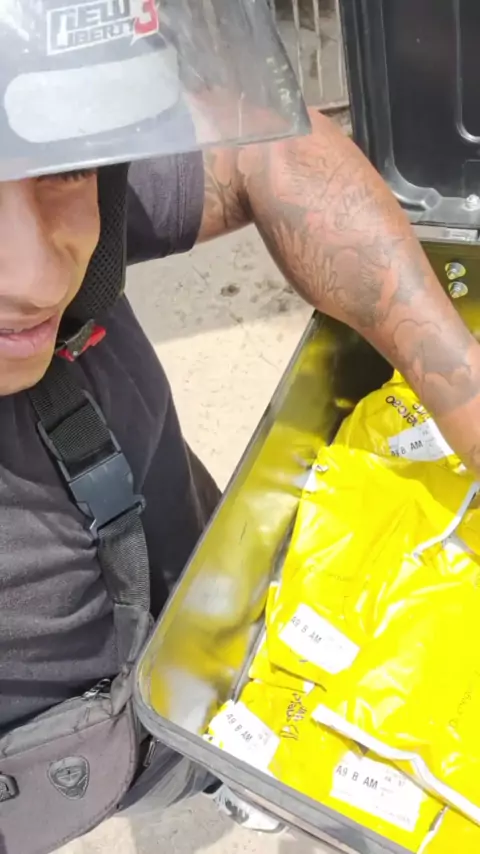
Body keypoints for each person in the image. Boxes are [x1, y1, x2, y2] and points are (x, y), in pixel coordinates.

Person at [1, 0, 480, 852]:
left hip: (207, 615)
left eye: (62, 173)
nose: (39, 279)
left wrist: (466, 398)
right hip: (65, 770)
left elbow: (265, 151)